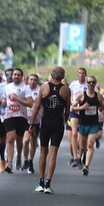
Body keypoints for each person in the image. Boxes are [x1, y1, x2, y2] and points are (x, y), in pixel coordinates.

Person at [33, 65, 72, 193]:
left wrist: (32, 123)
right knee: (53, 153)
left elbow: (37, 106)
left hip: (45, 124)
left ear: (52, 74)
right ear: (63, 77)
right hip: (57, 124)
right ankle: (48, 184)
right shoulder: (66, 90)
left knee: (43, 152)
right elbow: (67, 110)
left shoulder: (44, 87)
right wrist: (65, 121)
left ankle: (41, 182)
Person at [74, 76, 103, 175]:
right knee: (82, 147)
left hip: (94, 124)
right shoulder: (81, 96)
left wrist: (103, 110)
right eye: (89, 82)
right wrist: (82, 107)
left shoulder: (99, 96)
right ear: (86, 83)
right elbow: (72, 107)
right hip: (83, 124)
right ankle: (81, 156)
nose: (91, 84)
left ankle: (86, 166)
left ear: (95, 83)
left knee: (90, 144)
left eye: (93, 82)